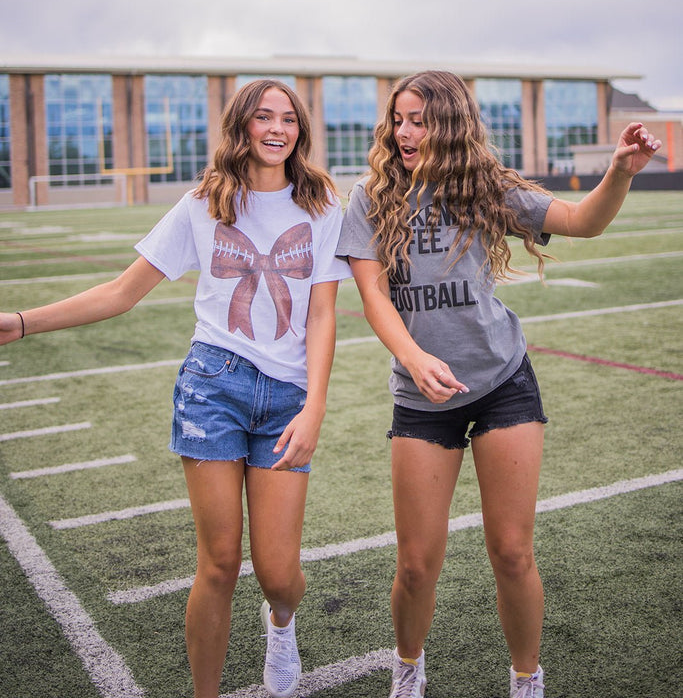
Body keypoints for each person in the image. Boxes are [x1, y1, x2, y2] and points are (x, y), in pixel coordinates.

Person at [0, 78, 351, 698]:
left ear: (301, 130)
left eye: (289, 119)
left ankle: (282, 622)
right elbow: (121, 292)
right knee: (217, 564)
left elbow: (322, 315)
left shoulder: (321, 205)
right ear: (241, 125)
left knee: (278, 574)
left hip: (287, 398)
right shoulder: (204, 203)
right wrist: (24, 322)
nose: (277, 129)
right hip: (211, 386)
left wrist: (316, 405)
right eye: (264, 117)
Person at [336, 70, 661, 698]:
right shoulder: (371, 197)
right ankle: (407, 673)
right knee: (415, 565)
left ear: (450, 125)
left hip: (503, 382)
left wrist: (620, 169)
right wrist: (413, 356)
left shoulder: (485, 188)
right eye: (398, 119)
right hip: (422, 395)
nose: (404, 132)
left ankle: (526, 680)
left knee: (511, 552)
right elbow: (373, 296)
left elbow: (582, 221)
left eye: (419, 121)